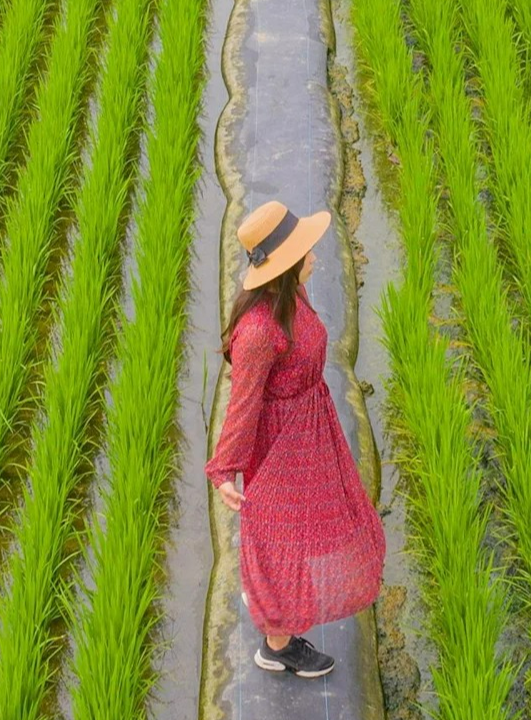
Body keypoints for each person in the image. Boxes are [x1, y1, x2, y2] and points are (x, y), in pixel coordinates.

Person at [205, 199, 386, 679]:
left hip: (310, 429)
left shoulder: (290, 298)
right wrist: (223, 470)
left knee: (312, 526)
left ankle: (277, 609)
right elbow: (243, 404)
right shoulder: (260, 330)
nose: (315, 257)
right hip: (281, 446)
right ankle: (277, 642)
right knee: (282, 536)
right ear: (284, 264)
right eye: (306, 250)